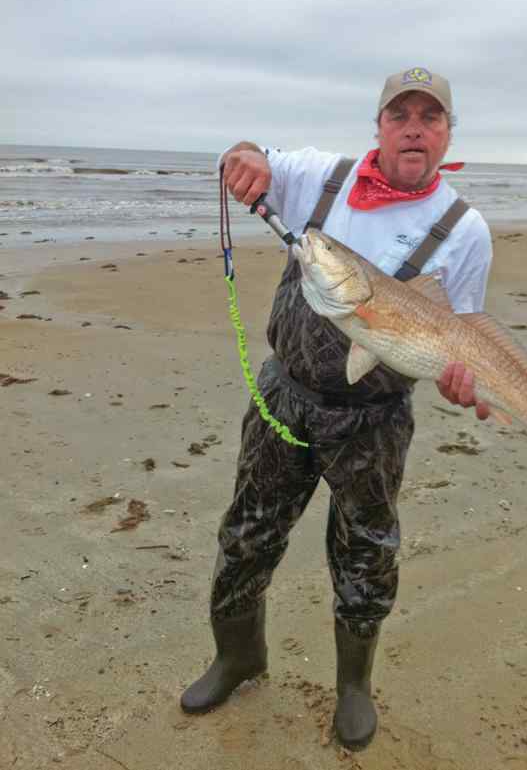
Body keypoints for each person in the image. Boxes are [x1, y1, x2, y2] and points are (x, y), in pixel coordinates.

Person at [181, 67, 493, 751]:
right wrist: (245, 155)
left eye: (430, 117)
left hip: (375, 422)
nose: (414, 127)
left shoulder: (464, 231)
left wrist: (461, 379)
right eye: (400, 114)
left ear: (447, 133)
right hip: (284, 398)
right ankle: (238, 654)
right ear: (379, 125)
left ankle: (353, 684)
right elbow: (250, 155)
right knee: (247, 533)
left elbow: (461, 334)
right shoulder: (324, 176)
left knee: (365, 556)